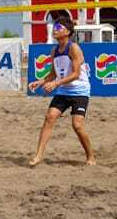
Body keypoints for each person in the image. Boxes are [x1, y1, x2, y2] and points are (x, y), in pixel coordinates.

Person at [27, 16, 95, 166]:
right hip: (64, 90)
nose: (55, 30)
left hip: (80, 91)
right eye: (55, 27)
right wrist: (40, 81)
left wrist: (55, 83)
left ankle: (90, 156)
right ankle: (38, 156)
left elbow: (76, 74)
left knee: (77, 126)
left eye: (59, 28)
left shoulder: (74, 48)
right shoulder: (55, 50)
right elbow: (53, 73)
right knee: (49, 117)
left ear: (68, 32)